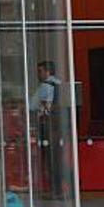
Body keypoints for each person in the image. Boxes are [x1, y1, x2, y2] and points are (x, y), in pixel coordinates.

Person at [31, 60, 65, 198]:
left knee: (49, 159)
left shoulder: (45, 86)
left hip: (47, 126)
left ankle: (54, 190)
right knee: (57, 158)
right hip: (59, 127)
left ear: (47, 71)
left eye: (40, 71)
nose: (38, 74)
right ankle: (59, 189)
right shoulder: (61, 85)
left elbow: (32, 105)